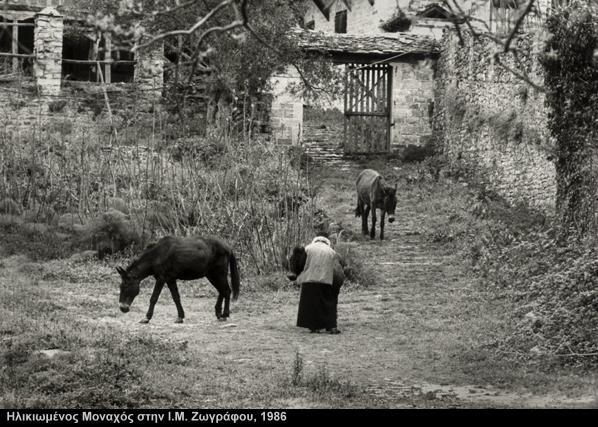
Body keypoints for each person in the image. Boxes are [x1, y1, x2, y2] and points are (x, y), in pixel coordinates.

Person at [296, 236, 343, 334]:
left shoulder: (307, 248)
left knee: (311, 304)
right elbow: (337, 268)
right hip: (325, 280)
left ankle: (314, 327)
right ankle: (331, 327)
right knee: (328, 303)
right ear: (327, 242)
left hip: (309, 280)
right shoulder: (331, 251)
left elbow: (300, 265)